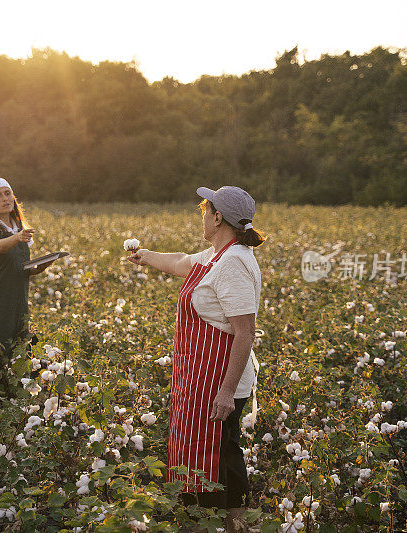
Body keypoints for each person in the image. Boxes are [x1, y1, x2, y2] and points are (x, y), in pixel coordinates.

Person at [127, 186, 265, 533]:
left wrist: (225, 391)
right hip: (199, 374)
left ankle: (206, 525)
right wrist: (144, 254)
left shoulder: (233, 263)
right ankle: (237, 526)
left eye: (205, 210)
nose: (201, 216)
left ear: (218, 218)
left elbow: (245, 332)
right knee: (226, 457)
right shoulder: (217, 255)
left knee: (208, 461)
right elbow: (180, 261)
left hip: (218, 379)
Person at [0, 177, 50, 395]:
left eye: (7, 193)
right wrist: (17, 238)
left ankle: (16, 405)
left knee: (21, 356)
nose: (5, 198)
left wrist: (40, 267)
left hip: (18, 303)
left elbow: (21, 269)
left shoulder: (21, 228)